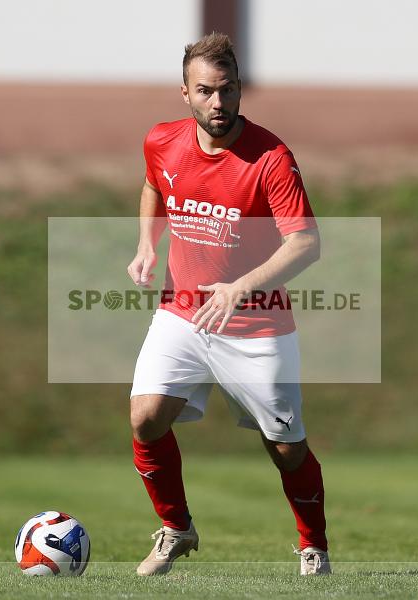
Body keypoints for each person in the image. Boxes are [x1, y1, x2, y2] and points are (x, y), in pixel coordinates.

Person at [126, 32, 329, 577]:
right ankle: (176, 530)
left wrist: (241, 287)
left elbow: (307, 243)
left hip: (257, 327)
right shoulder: (162, 140)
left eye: (229, 90)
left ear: (241, 90)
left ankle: (313, 546)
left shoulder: (271, 158)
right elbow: (154, 184)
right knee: (146, 420)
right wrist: (148, 243)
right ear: (186, 93)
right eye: (206, 91)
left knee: (286, 448)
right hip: (183, 314)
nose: (219, 103)